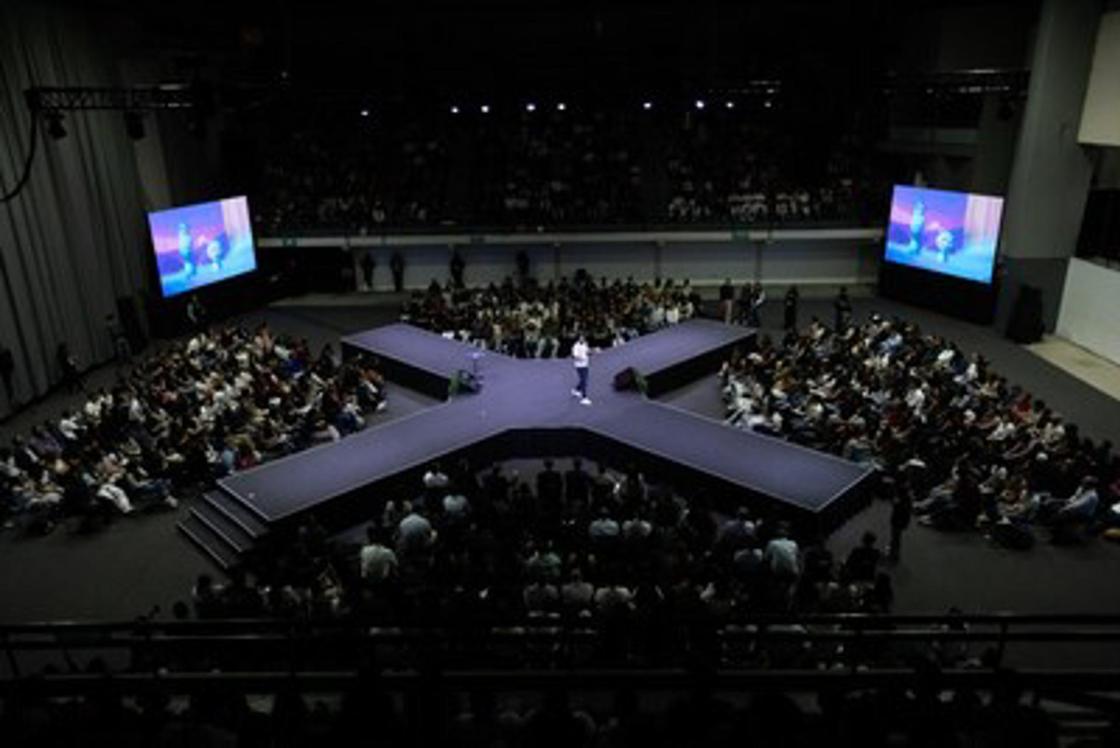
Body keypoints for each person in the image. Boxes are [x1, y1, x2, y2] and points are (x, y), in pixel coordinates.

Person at [889, 480, 913, 562]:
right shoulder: (908, 500)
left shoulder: (900, 500)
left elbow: (894, 504)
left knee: (895, 537)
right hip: (902, 521)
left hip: (897, 521)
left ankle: (894, 554)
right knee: (896, 537)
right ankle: (894, 552)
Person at [571, 334, 592, 406]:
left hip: (586, 365)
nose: (582, 339)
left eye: (583, 338)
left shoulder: (585, 344)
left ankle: (576, 390)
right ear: (578, 339)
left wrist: (591, 352)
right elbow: (575, 356)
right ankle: (584, 398)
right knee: (584, 381)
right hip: (579, 366)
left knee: (584, 380)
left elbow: (587, 352)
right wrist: (581, 358)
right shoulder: (576, 346)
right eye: (581, 338)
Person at [0, 342, 14, 410]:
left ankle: (11, 402)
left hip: (5, 368)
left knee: (8, 385)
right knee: (8, 385)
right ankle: (11, 402)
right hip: (5, 368)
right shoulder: (6, 352)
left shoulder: (5, 352)